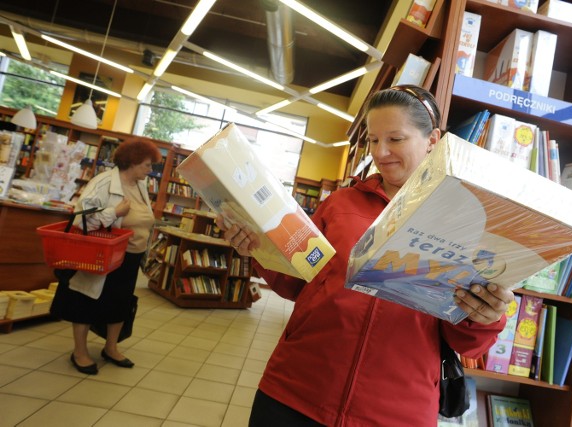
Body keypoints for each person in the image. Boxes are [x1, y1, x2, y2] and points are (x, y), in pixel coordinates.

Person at [218, 85, 514, 426]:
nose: (381, 152)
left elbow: (467, 342)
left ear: (433, 139)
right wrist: (257, 248)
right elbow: (295, 282)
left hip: (395, 412)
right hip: (295, 390)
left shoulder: (465, 220)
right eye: (373, 140)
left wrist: (486, 314)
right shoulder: (340, 204)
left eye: (396, 139)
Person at [50, 138, 161, 375]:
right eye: (147, 165)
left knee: (120, 303)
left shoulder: (140, 185)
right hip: (103, 255)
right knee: (87, 300)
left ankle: (111, 348)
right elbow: (80, 219)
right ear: (131, 163)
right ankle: (79, 352)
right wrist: (114, 213)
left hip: (130, 257)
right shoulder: (102, 183)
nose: (150, 171)